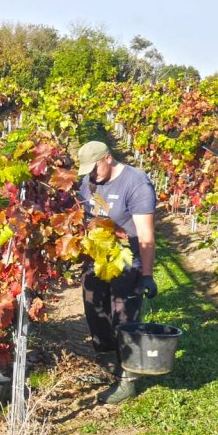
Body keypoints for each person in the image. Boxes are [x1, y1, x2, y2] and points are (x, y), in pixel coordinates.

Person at [76, 140, 158, 404]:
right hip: (97, 258)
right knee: (94, 309)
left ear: (108, 158)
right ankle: (108, 364)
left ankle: (128, 381)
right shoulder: (88, 181)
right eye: (87, 170)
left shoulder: (136, 184)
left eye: (95, 168)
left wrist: (147, 274)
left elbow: (145, 235)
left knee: (124, 317)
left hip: (126, 259)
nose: (92, 175)